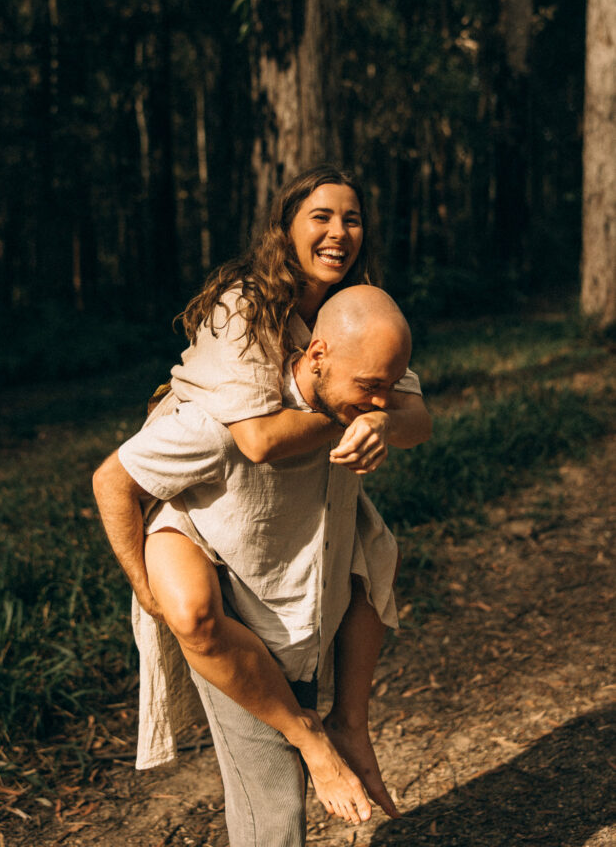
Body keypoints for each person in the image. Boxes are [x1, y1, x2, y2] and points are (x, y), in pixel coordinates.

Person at [93, 287, 427, 845]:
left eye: (389, 388)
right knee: (273, 809)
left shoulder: (348, 407)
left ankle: (333, 734)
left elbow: (412, 421)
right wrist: (148, 592)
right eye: (370, 389)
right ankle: (316, 741)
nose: (378, 402)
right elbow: (112, 480)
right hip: (240, 635)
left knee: (280, 798)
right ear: (317, 354)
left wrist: (382, 418)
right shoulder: (225, 423)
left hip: (305, 618)